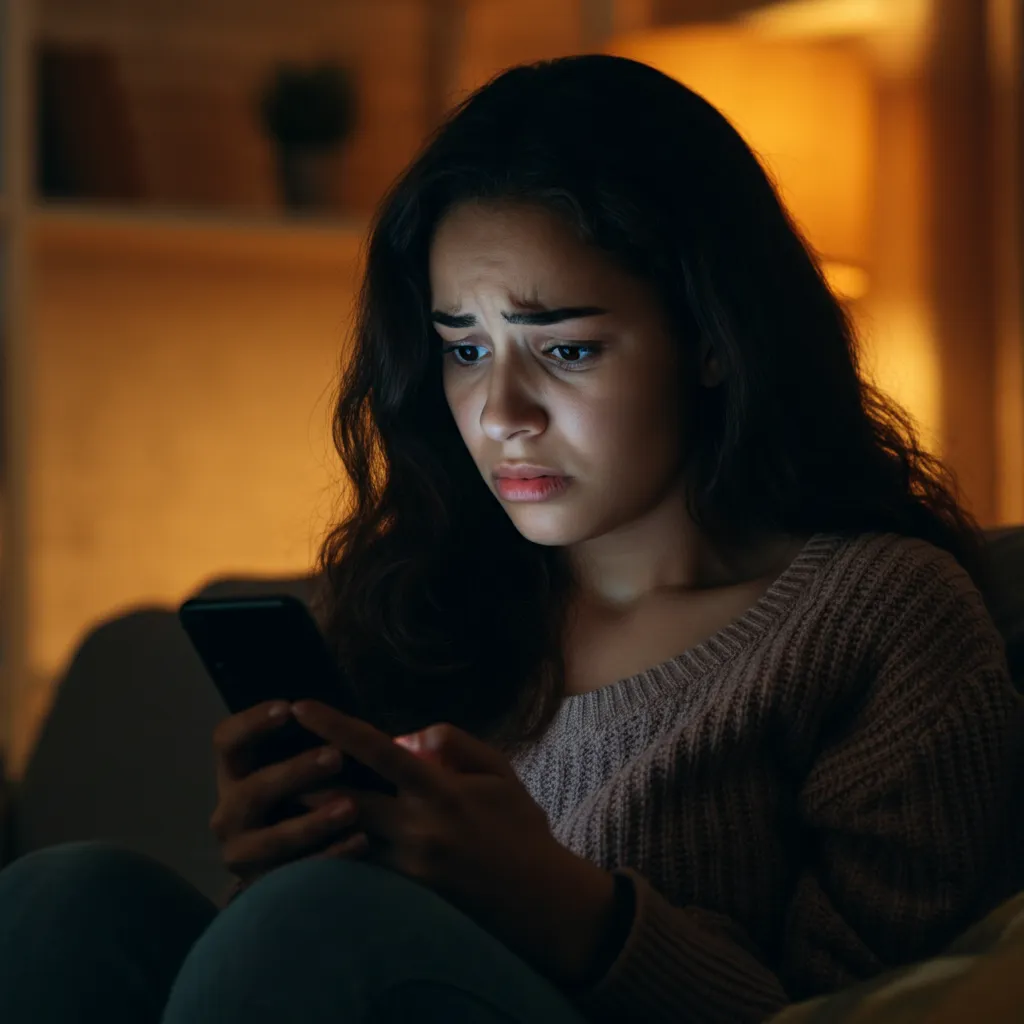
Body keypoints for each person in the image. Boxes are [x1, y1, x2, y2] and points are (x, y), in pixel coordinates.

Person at [0, 54, 1020, 1024]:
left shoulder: (881, 615)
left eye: (566, 348)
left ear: (712, 337)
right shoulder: (437, 594)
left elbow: (881, 1008)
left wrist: (565, 906)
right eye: (464, 348)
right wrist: (281, 860)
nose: (500, 412)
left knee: (315, 925)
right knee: (65, 897)